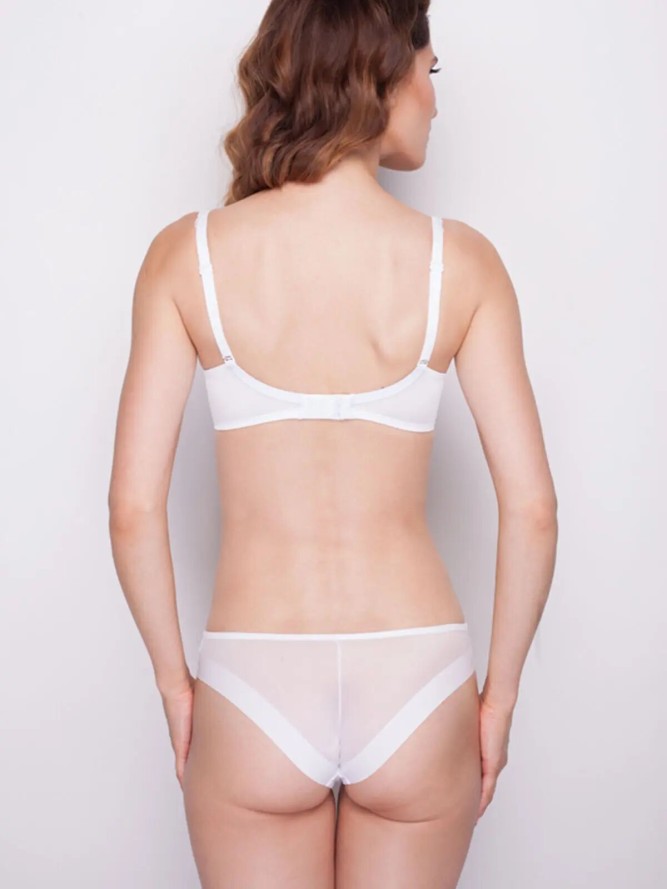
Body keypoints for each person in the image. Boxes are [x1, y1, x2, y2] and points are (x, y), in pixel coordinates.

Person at [108, 1, 558, 886]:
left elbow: (131, 508)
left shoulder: (186, 257)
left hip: (253, 678)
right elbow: (533, 509)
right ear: (381, 73)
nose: (435, 98)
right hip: (418, 678)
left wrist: (175, 686)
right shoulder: (460, 264)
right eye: (429, 72)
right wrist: (497, 698)